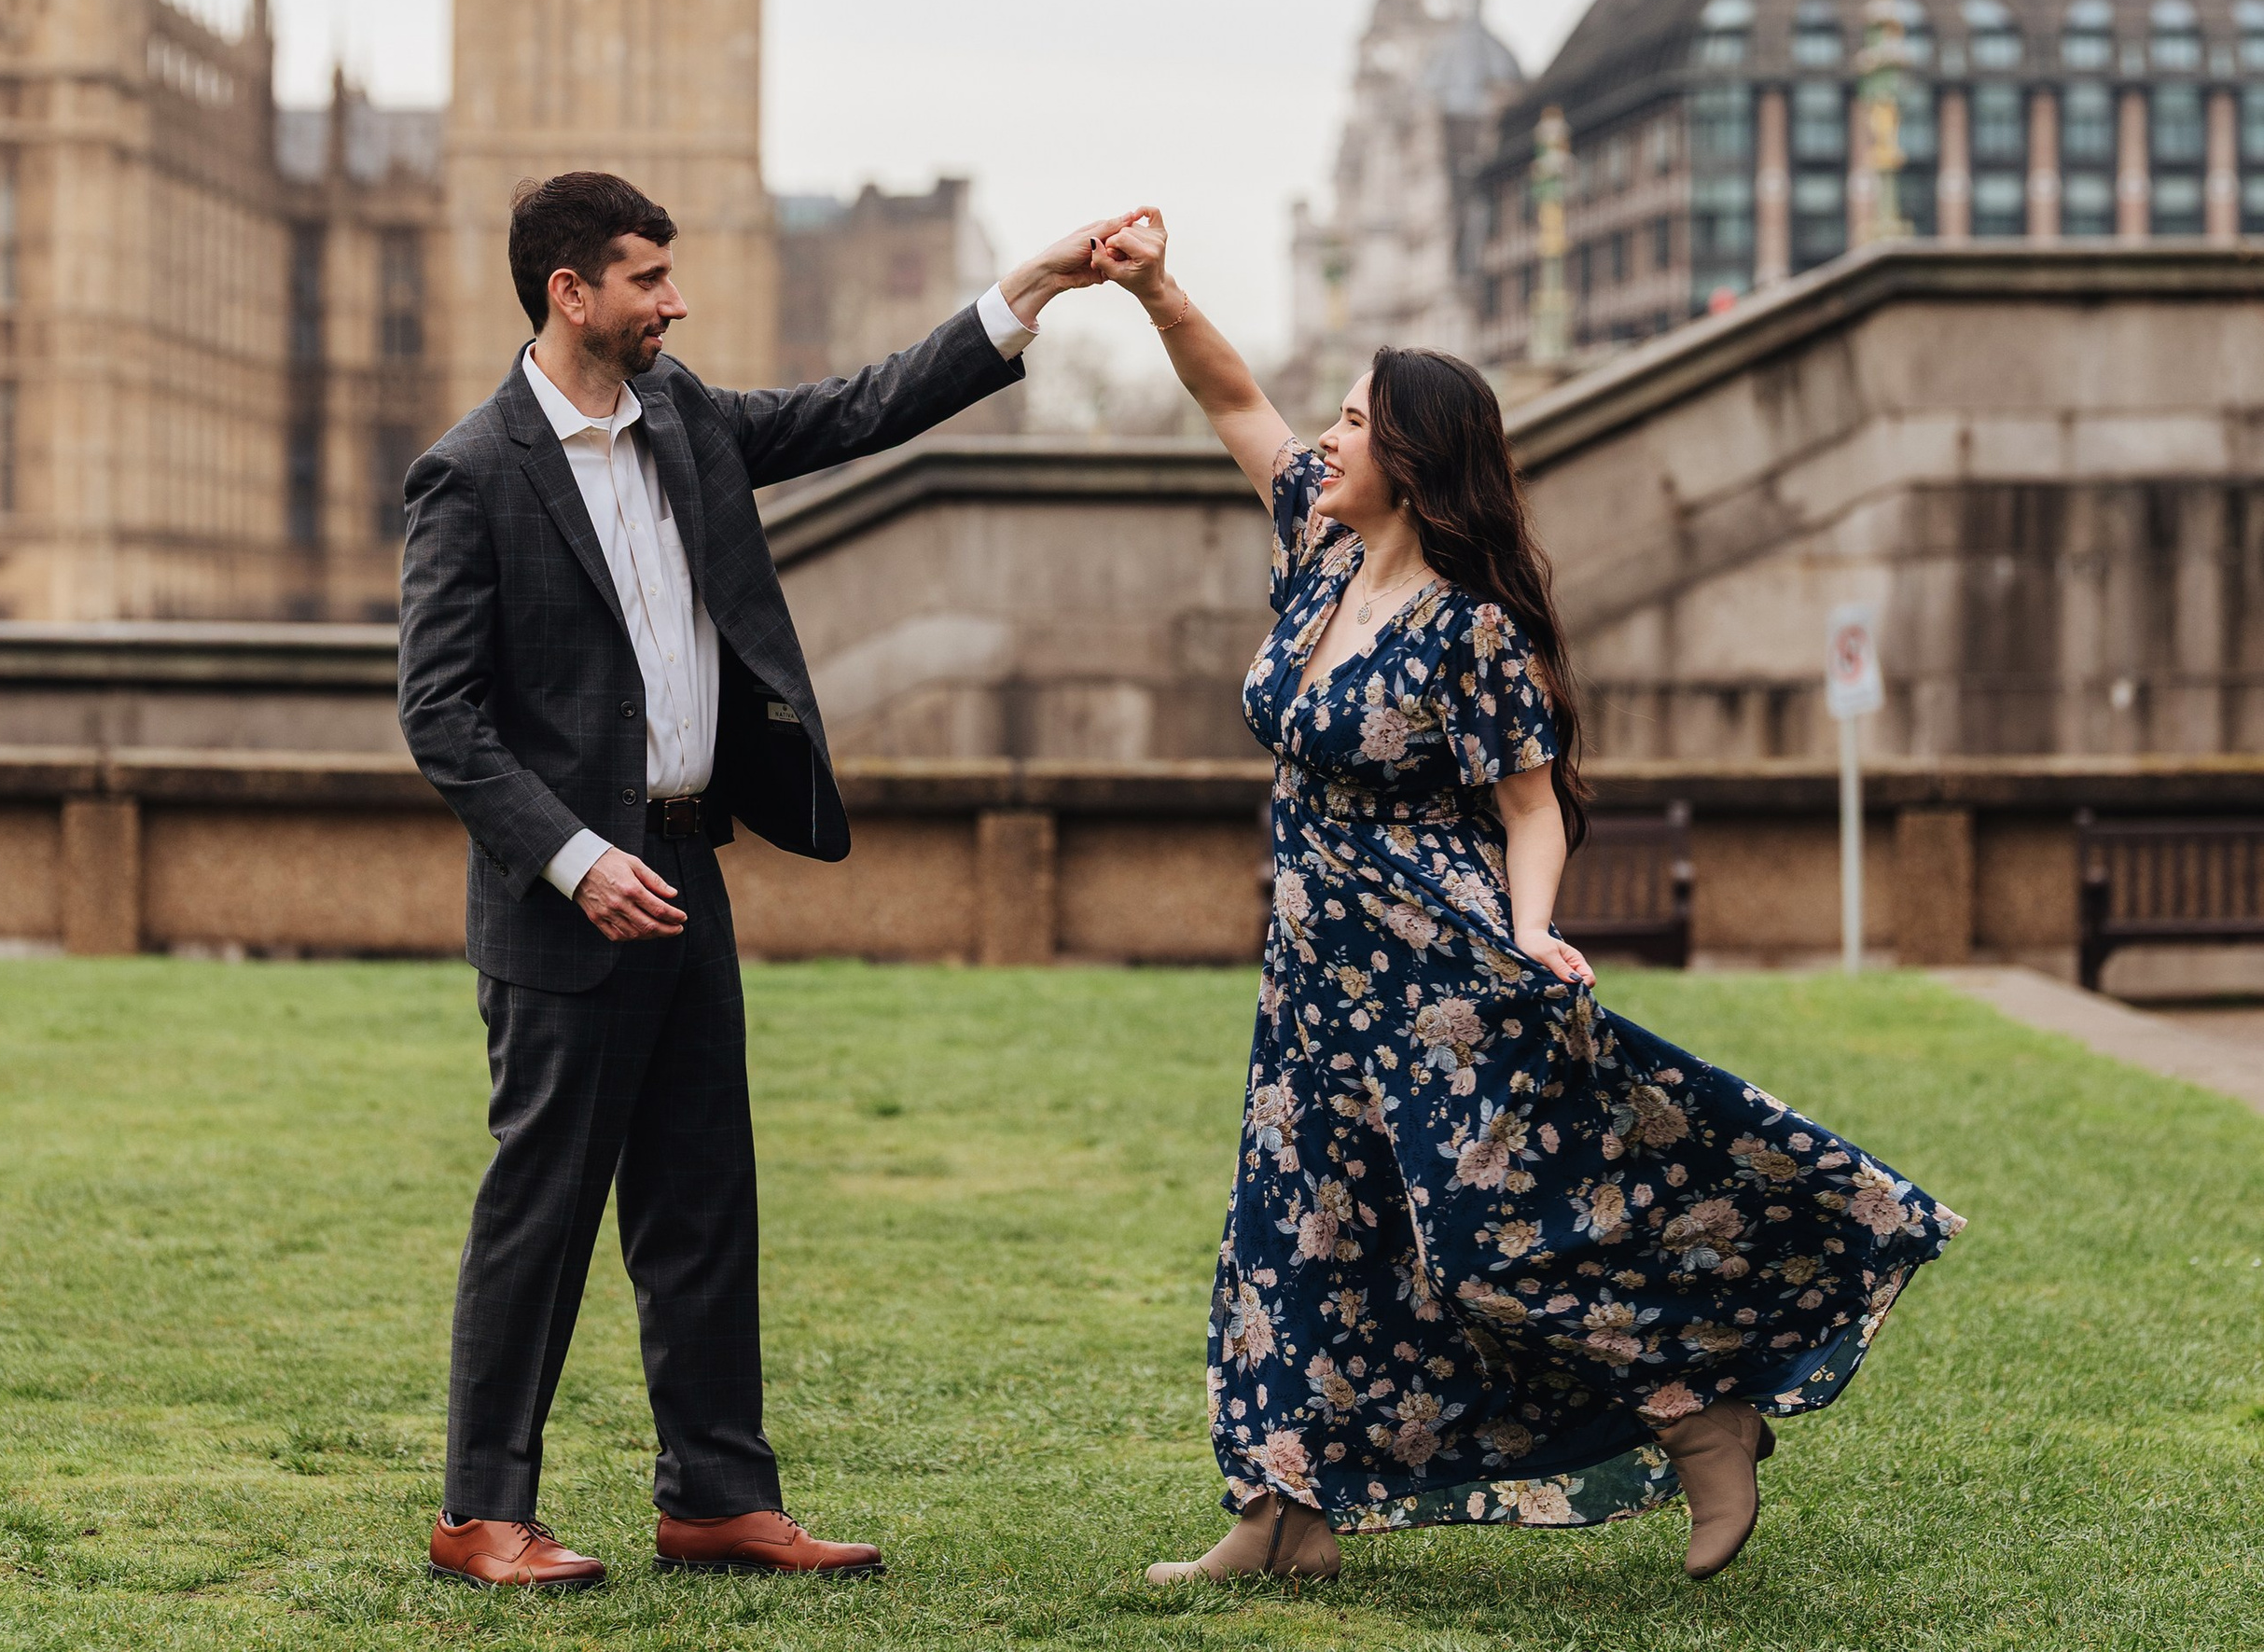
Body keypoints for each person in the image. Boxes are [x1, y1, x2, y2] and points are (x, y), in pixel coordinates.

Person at [1092, 213, 1958, 1588]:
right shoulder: (1316, 555)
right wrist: (1154, 289)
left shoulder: (1473, 625)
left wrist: (1529, 926)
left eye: (1357, 420)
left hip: (1442, 973)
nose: (1326, 435)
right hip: (1315, 977)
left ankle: (1698, 1413)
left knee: (1490, 1240)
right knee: (1300, 1225)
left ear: (1416, 461)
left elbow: (1530, 805)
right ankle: (1285, 1513)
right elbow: (1231, 396)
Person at [397, 167, 1120, 1594]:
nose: (676, 302)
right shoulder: (471, 472)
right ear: (572, 293)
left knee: (703, 1201)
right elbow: (441, 716)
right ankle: (483, 1513)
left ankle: (717, 1500)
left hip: (686, 862)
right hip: (568, 896)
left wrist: (1023, 291)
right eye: (650, 280)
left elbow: (857, 409)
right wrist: (576, 856)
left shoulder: (685, 419)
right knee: (540, 1211)